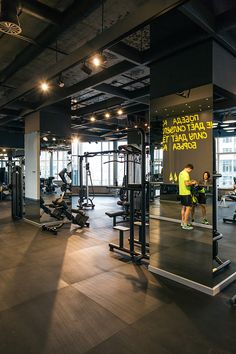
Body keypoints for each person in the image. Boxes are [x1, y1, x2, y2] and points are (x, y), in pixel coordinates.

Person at [178, 163, 197, 230]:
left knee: (183, 207)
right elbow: (186, 183)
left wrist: (190, 181)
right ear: (189, 168)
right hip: (186, 193)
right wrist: (193, 182)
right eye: (190, 170)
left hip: (182, 192)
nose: (190, 172)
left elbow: (184, 182)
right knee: (188, 208)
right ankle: (185, 224)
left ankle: (183, 222)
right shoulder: (186, 174)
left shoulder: (181, 173)